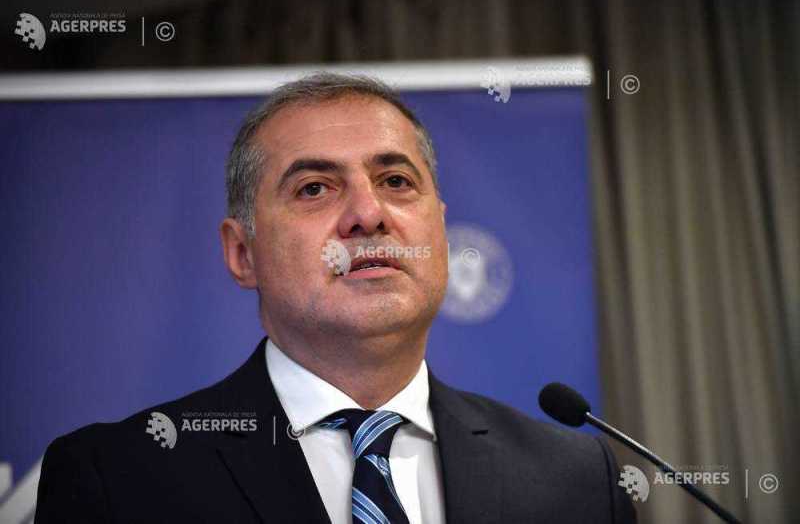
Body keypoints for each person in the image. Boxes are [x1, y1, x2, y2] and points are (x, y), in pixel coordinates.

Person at [35, 73, 636, 524]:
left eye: (395, 181)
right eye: (314, 188)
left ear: (440, 228)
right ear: (242, 254)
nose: (368, 214)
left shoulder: (577, 480)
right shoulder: (118, 480)